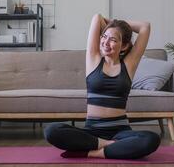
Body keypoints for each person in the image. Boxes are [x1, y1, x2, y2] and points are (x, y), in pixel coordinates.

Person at [44, 14, 161, 159]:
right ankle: (109, 146)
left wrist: (118, 25)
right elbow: (97, 18)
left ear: (124, 46)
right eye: (104, 36)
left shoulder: (129, 64)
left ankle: (92, 152)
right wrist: (114, 25)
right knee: (52, 131)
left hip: (120, 132)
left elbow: (145, 27)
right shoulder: (93, 60)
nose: (106, 42)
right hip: (92, 131)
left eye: (113, 40)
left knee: (151, 139)